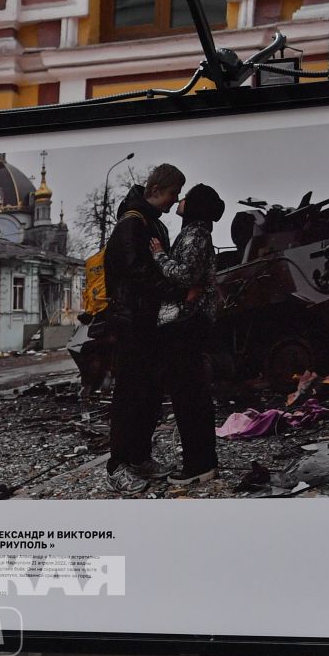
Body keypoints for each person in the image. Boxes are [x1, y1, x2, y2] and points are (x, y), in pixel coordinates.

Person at [101, 164, 184, 494]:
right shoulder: (132, 223)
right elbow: (137, 272)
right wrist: (177, 291)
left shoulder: (152, 223)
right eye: (173, 194)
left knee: (149, 395)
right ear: (157, 190)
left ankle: (139, 458)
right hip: (130, 323)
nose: (174, 201)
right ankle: (117, 466)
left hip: (149, 322)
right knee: (129, 396)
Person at [151, 182, 225, 485]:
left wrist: (159, 256)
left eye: (186, 198)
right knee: (190, 395)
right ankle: (200, 462)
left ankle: (199, 465)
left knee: (188, 396)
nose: (179, 201)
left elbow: (186, 276)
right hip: (189, 321)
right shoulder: (196, 234)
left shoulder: (195, 235)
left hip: (186, 323)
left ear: (194, 207)